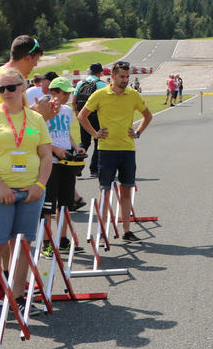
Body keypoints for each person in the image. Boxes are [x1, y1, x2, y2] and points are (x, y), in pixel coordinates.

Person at [0, 66, 52, 325]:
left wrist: (39, 185)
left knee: (23, 246)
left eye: (11, 88)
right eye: (0, 89)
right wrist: (0, 186)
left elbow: (45, 154)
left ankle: (17, 297)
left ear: (23, 88)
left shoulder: (35, 119)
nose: (6, 92)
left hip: (30, 192)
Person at [77, 60, 151, 241]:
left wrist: (138, 132)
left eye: (127, 77)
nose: (125, 80)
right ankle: (102, 231)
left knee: (126, 191)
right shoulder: (100, 94)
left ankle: (126, 231)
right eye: (122, 77)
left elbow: (147, 115)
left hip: (127, 149)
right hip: (107, 150)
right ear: (113, 76)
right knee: (105, 191)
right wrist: (95, 133)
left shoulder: (133, 94)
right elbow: (81, 116)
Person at [43, 77, 86, 252]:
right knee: (47, 206)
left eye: (69, 93)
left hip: (67, 161)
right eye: (64, 93)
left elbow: (66, 134)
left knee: (65, 204)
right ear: (53, 93)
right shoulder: (41, 110)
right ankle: (46, 243)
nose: (67, 96)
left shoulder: (67, 111)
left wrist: (77, 147)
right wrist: (53, 148)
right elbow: (31, 132)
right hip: (49, 162)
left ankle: (62, 240)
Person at [0, 35, 51, 119]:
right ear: (28, 58)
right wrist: (37, 118)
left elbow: (22, 125)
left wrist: (39, 117)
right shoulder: (3, 83)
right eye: (35, 60)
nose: (35, 64)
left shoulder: (14, 80)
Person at [73, 63, 107, 177]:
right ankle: (94, 169)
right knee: (98, 141)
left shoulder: (80, 83)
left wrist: (78, 115)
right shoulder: (101, 84)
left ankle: (77, 166)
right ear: (99, 73)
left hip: (83, 116)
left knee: (84, 142)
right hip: (96, 116)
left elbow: (74, 101)